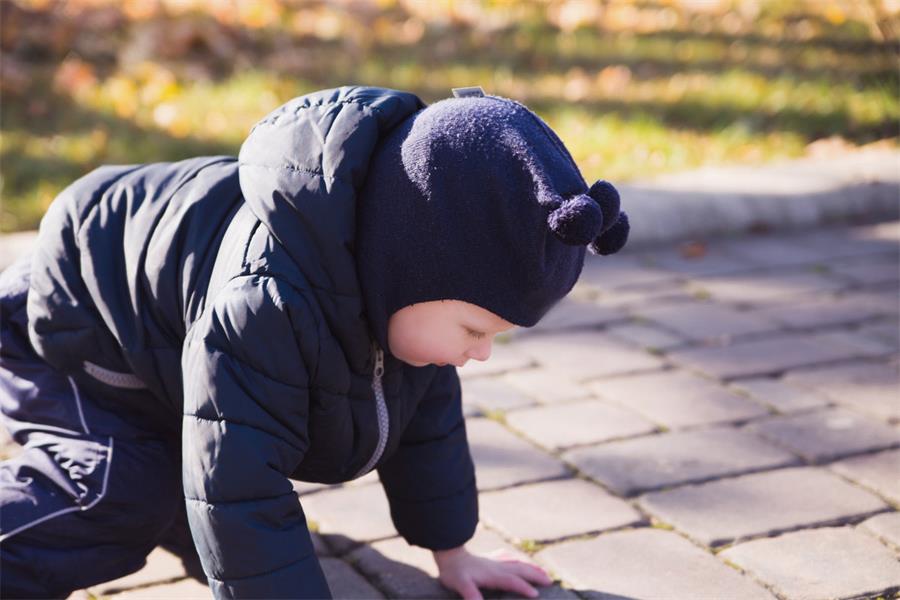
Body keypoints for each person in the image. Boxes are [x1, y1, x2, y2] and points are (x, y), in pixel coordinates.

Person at [0, 85, 629, 599]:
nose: (481, 351)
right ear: (408, 269)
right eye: (475, 329)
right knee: (122, 495)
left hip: (169, 347)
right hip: (73, 334)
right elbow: (237, 480)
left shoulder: (401, 305)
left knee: (205, 512)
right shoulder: (264, 302)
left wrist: (453, 552)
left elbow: (426, 427)